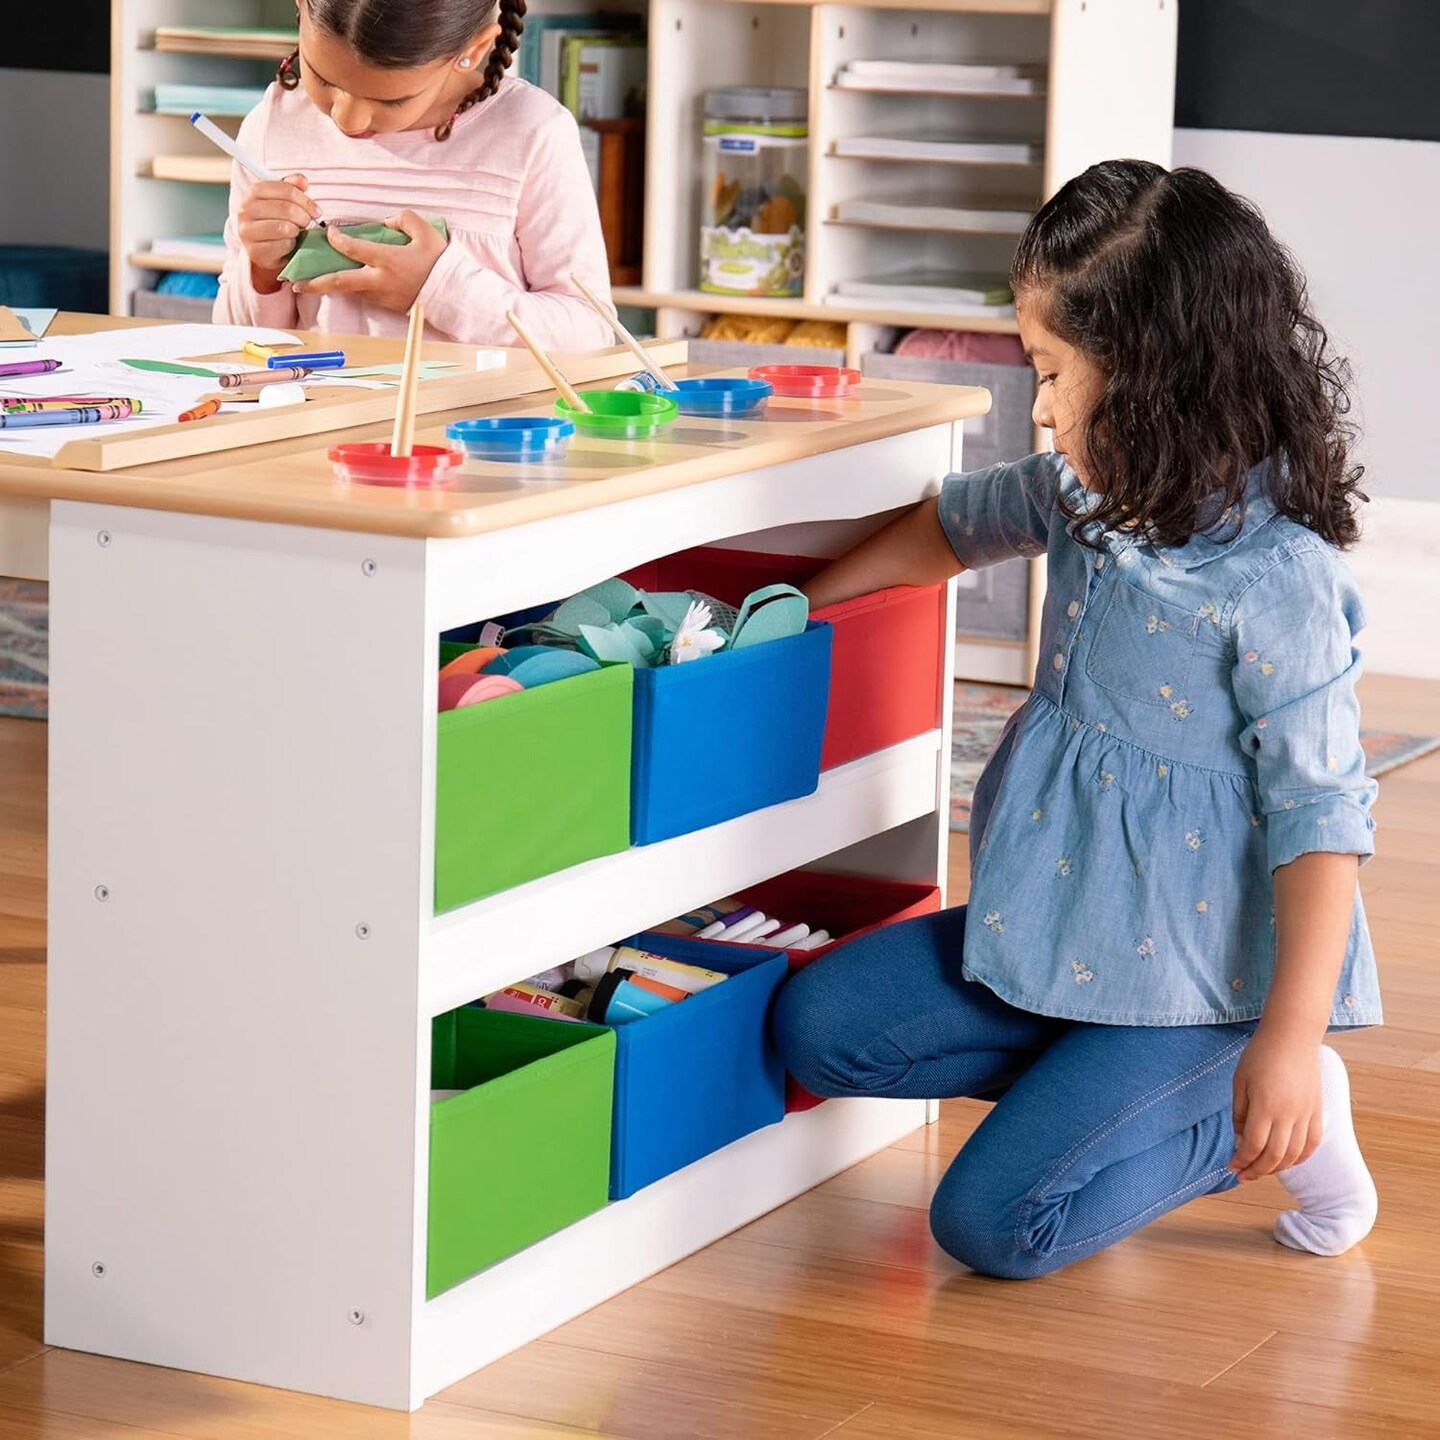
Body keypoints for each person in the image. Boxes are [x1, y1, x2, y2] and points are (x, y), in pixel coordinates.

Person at [775, 159, 1381, 1277]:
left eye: (1054, 373)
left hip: (1207, 983)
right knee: (820, 1029)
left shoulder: (1276, 578)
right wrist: (785, 613)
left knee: (992, 1227)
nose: (1041, 406)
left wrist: (1291, 1044)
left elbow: (1323, 821)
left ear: (1158, 379)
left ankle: (1241, 1108)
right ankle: (1101, 1087)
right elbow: (947, 528)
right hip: (1061, 935)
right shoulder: (1082, 494)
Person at [214, 0, 613, 349]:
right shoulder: (271, 126)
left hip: (475, 430)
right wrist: (263, 270)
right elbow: (232, 342)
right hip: (315, 422)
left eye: (391, 100)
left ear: (472, 50)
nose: (346, 119)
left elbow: (591, 332)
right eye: (322, 78)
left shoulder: (532, 132)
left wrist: (438, 288)